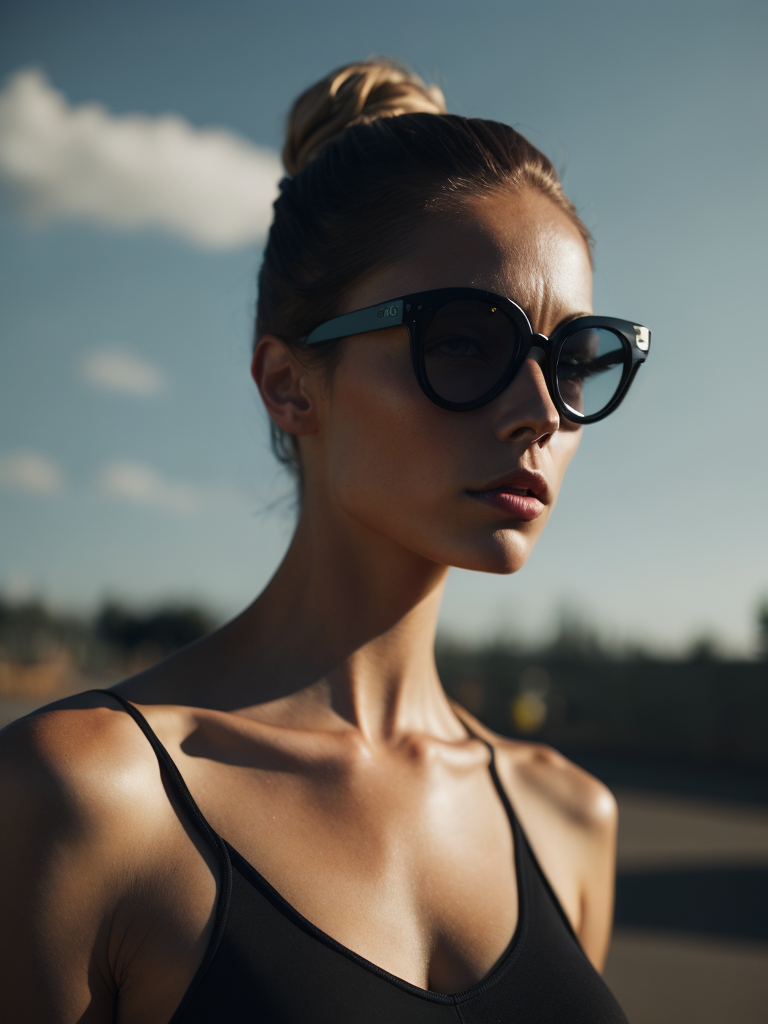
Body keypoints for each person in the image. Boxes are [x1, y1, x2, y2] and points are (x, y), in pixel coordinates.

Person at [0, 59, 650, 1023]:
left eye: (573, 359)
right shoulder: (83, 801)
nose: (541, 410)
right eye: (467, 340)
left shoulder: (569, 819)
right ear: (290, 383)